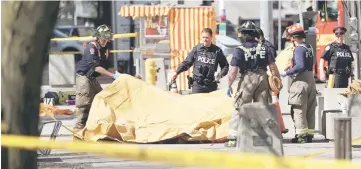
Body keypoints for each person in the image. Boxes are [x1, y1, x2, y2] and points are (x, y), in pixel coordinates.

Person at [224, 21, 281, 147]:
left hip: (247, 79)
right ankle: (262, 137)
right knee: (262, 108)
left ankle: (233, 137)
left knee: (240, 108)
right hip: (262, 79)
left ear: (244, 34)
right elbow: (273, 66)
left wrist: (228, 85)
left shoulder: (239, 50)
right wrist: (277, 80)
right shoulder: (265, 47)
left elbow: (233, 71)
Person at [73, 24, 122, 139]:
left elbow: (109, 66)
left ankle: (94, 129)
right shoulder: (91, 47)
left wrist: (119, 75)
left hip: (92, 78)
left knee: (101, 99)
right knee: (84, 105)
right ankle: (77, 135)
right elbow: (96, 67)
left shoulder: (105, 49)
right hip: (84, 78)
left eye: (107, 39)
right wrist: (112, 75)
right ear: (98, 37)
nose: (105, 41)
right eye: (104, 39)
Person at [279, 24, 317, 143]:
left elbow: (300, 65)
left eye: (291, 39)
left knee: (298, 109)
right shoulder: (308, 47)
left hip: (301, 81)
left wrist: (287, 73)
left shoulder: (299, 48)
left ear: (294, 38)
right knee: (310, 109)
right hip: (310, 79)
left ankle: (301, 136)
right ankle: (309, 135)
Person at [172, 28, 229, 93]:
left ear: (211, 37)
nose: (205, 39)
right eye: (203, 37)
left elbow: (225, 65)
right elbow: (187, 63)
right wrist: (177, 72)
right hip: (198, 85)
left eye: (207, 37)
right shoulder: (197, 49)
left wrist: (220, 75)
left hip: (211, 85)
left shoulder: (217, 51)